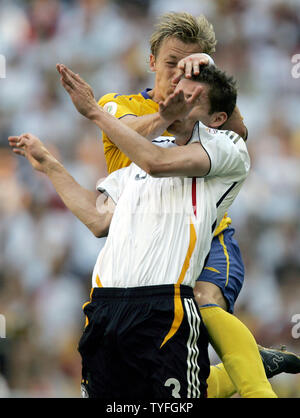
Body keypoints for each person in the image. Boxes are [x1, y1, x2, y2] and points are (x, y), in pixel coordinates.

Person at [9, 64, 258, 398]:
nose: (177, 103)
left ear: (216, 119)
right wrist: (52, 167)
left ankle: (247, 376)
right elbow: (98, 219)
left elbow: (156, 162)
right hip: (104, 308)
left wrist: (95, 112)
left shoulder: (225, 148)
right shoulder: (135, 168)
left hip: (163, 309)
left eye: (190, 100)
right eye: (177, 95)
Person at [94, 12, 300, 398]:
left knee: (204, 302)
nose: (177, 75)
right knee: (162, 387)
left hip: (208, 237)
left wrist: (211, 76)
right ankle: (249, 360)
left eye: (187, 66)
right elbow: (121, 135)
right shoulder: (117, 105)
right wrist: (167, 114)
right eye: (171, 63)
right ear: (152, 61)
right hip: (143, 256)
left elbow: (239, 134)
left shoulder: (204, 108)